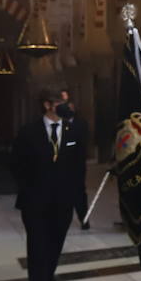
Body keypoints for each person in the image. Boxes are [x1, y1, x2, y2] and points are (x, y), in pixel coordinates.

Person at [10, 88, 87, 281]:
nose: (65, 105)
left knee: (54, 249)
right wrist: (31, 188)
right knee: (37, 252)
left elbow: (78, 167)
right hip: (35, 203)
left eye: (66, 101)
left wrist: (78, 200)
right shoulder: (28, 132)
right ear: (47, 105)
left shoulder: (72, 130)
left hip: (62, 203)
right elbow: (16, 165)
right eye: (60, 102)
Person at [57, 88, 92, 228]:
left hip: (76, 166)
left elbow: (82, 145)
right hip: (61, 166)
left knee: (79, 194)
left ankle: (84, 219)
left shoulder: (80, 123)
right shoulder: (58, 125)